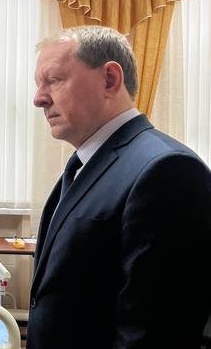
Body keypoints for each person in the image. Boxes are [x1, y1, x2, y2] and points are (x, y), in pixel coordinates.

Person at [29, 25, 211, 349]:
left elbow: (153, 334)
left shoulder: (166, 170)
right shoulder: (86, 165)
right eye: (38, 85)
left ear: (110, 79)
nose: (38, 98)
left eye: (53, 80)